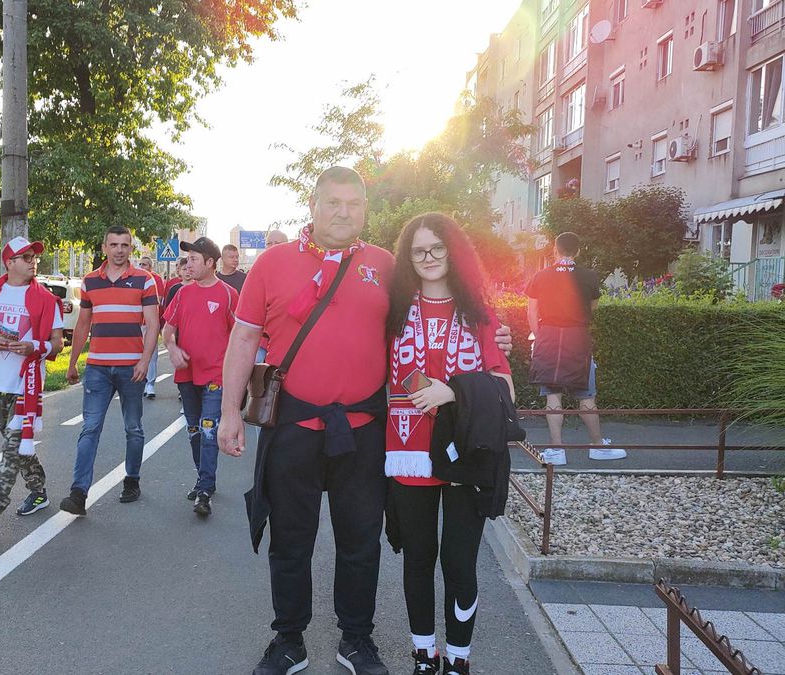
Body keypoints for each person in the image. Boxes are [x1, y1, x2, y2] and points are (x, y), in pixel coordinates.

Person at [219, 167, 512, 675]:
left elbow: (436, 306)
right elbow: (243, 339)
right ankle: (289, 640)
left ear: (365, 209)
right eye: (333, 202)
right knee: (290, 539)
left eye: (354, 203)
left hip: (364, 428)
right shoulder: (271, 263)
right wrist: (228, 413)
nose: (343, 212)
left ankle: (356, 639)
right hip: (293, 424)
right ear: (312, 205)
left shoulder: (386, 265)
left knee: (360, 541)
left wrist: (493, 336)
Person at [384, 213, 515, 675]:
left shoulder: (479, 311)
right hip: (407, 450)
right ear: (408, 257)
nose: (429, 258)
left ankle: (459, 658)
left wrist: (454, 391)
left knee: (459, 562)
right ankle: (425, 655)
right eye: (419, 251)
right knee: (418, 559)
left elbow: (506, 389)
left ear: (453, 251)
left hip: (465, 452)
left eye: (438, 248)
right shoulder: (393, 308)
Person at [61, 225, 160, 515]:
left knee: (133, 428)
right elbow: (83, 324)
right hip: (98, 368)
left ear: (131, 248)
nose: (119, 250)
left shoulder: (145, 280)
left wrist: (144, 360)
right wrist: (73, 361)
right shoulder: (90, 282)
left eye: (124, 245)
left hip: (132, 367)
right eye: (113, 244)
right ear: (104, 247)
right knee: (90, 428)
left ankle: (132, 480)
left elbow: (153, 323)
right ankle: (78, 494)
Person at [0, 237, 64, 534]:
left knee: (11, 446)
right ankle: (38, 490)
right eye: (25, 256)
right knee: (18, 445)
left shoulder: (46, 300)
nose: (33, 260)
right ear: (9, 262)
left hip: (28, 382)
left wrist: (33, 345)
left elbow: (58, 343)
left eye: (34, 256)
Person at [526, 231, 625, 465]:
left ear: (555, 250)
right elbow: (593, 308)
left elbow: (531, 311)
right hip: (578, 338)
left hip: (548, 338)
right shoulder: (589, 276)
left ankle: (557, 451)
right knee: (587, 395)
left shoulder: (540, 276)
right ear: (578, 251)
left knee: (552, 395)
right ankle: (598, 446)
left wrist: (541, 337)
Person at [163, 236, 238, 517]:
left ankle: (204, 490)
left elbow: (242, 336)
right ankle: (204, 478)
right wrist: (172, 348)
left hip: (216, 375)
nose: (188, 264)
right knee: (194, 431)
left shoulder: (229, 294)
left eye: (194, 259)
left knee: (209, 429)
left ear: (210, 263)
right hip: (187, 374)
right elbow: (167, 330)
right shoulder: (182, 293)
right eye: (188, 259)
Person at [138, 255, 167, 400]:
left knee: (152, 354)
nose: (142, 267)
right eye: (140, 264)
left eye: (144, 265)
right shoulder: (135, 278)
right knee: (137, 353)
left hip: (151, 323)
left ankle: (150, 384)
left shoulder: (156, 280)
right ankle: (139, 381)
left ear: (150, 267)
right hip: (137, 323)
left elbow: (158, 301)